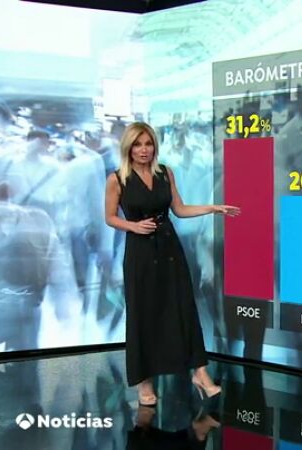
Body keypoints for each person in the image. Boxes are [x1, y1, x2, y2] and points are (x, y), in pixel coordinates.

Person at [104, 122, 239, 407]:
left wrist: (212, 208)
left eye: (148, 144)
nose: (143, 150)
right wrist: (133, 226)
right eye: (138, 144)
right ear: (128, 147)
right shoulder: (117, 179)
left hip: (169, 249)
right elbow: (110, 217)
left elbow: (179, 209)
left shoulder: (165, 173)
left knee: (183, 309)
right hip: (140, 253)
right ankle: (144, 381)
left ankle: (200, 374)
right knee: (143, 314)